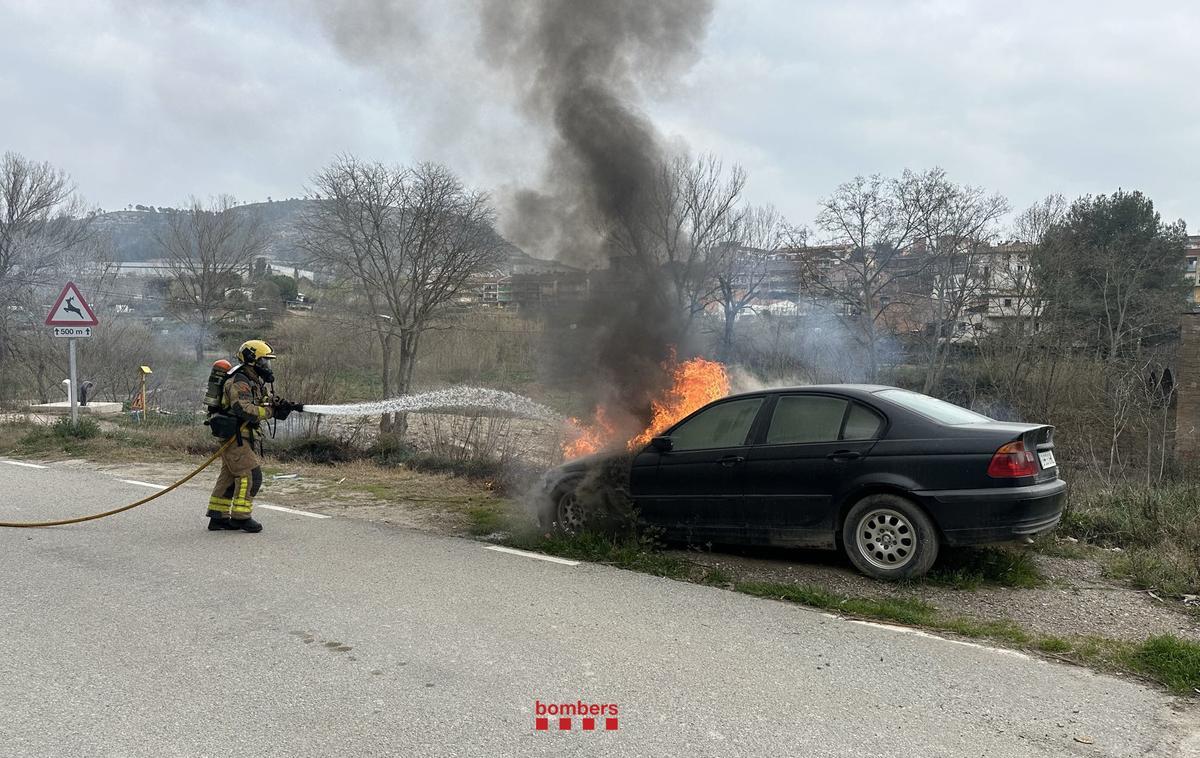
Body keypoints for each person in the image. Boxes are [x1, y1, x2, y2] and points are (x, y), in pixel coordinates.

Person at [205, 339, 295, 533]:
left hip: (240, 435)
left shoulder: (251, 379)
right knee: (251, 475)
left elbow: (260, 402)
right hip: (235, 437)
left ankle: (218, 517)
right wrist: (271, 412)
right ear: (252, 360)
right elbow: (243, 409)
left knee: (229, 477)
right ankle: (241, 517)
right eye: (264, 361)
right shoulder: (240, 380)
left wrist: (280, 405)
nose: (267, 367)